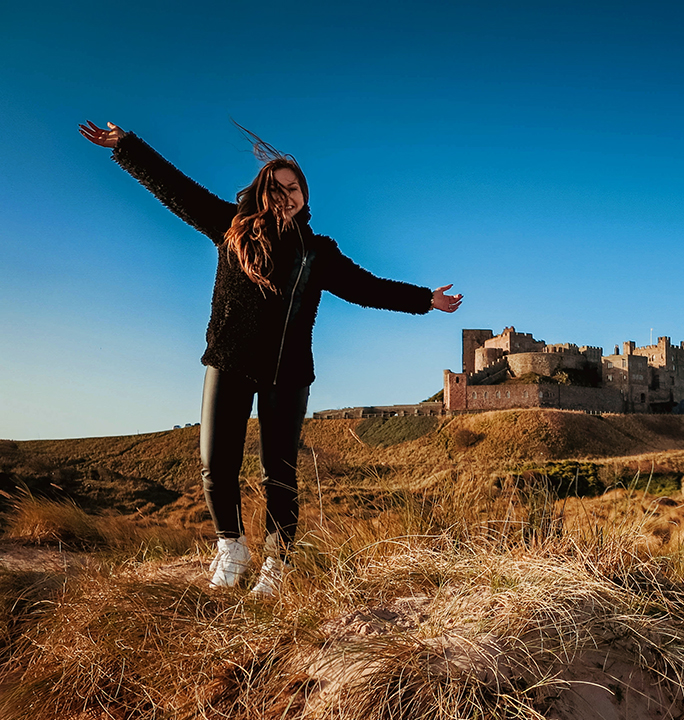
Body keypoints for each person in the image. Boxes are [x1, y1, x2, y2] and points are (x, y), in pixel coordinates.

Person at [79, 120, 463, 595]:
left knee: (278, 470)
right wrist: (128, 148)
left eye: (295, 187)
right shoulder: (230, 227)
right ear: (263, 192)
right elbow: (176, 189)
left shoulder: (318, 252)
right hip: (229, 360)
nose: (288, 194)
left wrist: (425, 298)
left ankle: (277, 566)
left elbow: (367, 289)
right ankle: (232, 549)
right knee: (216, 462)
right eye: (279, 187)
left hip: (288, 372)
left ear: (305, 195)